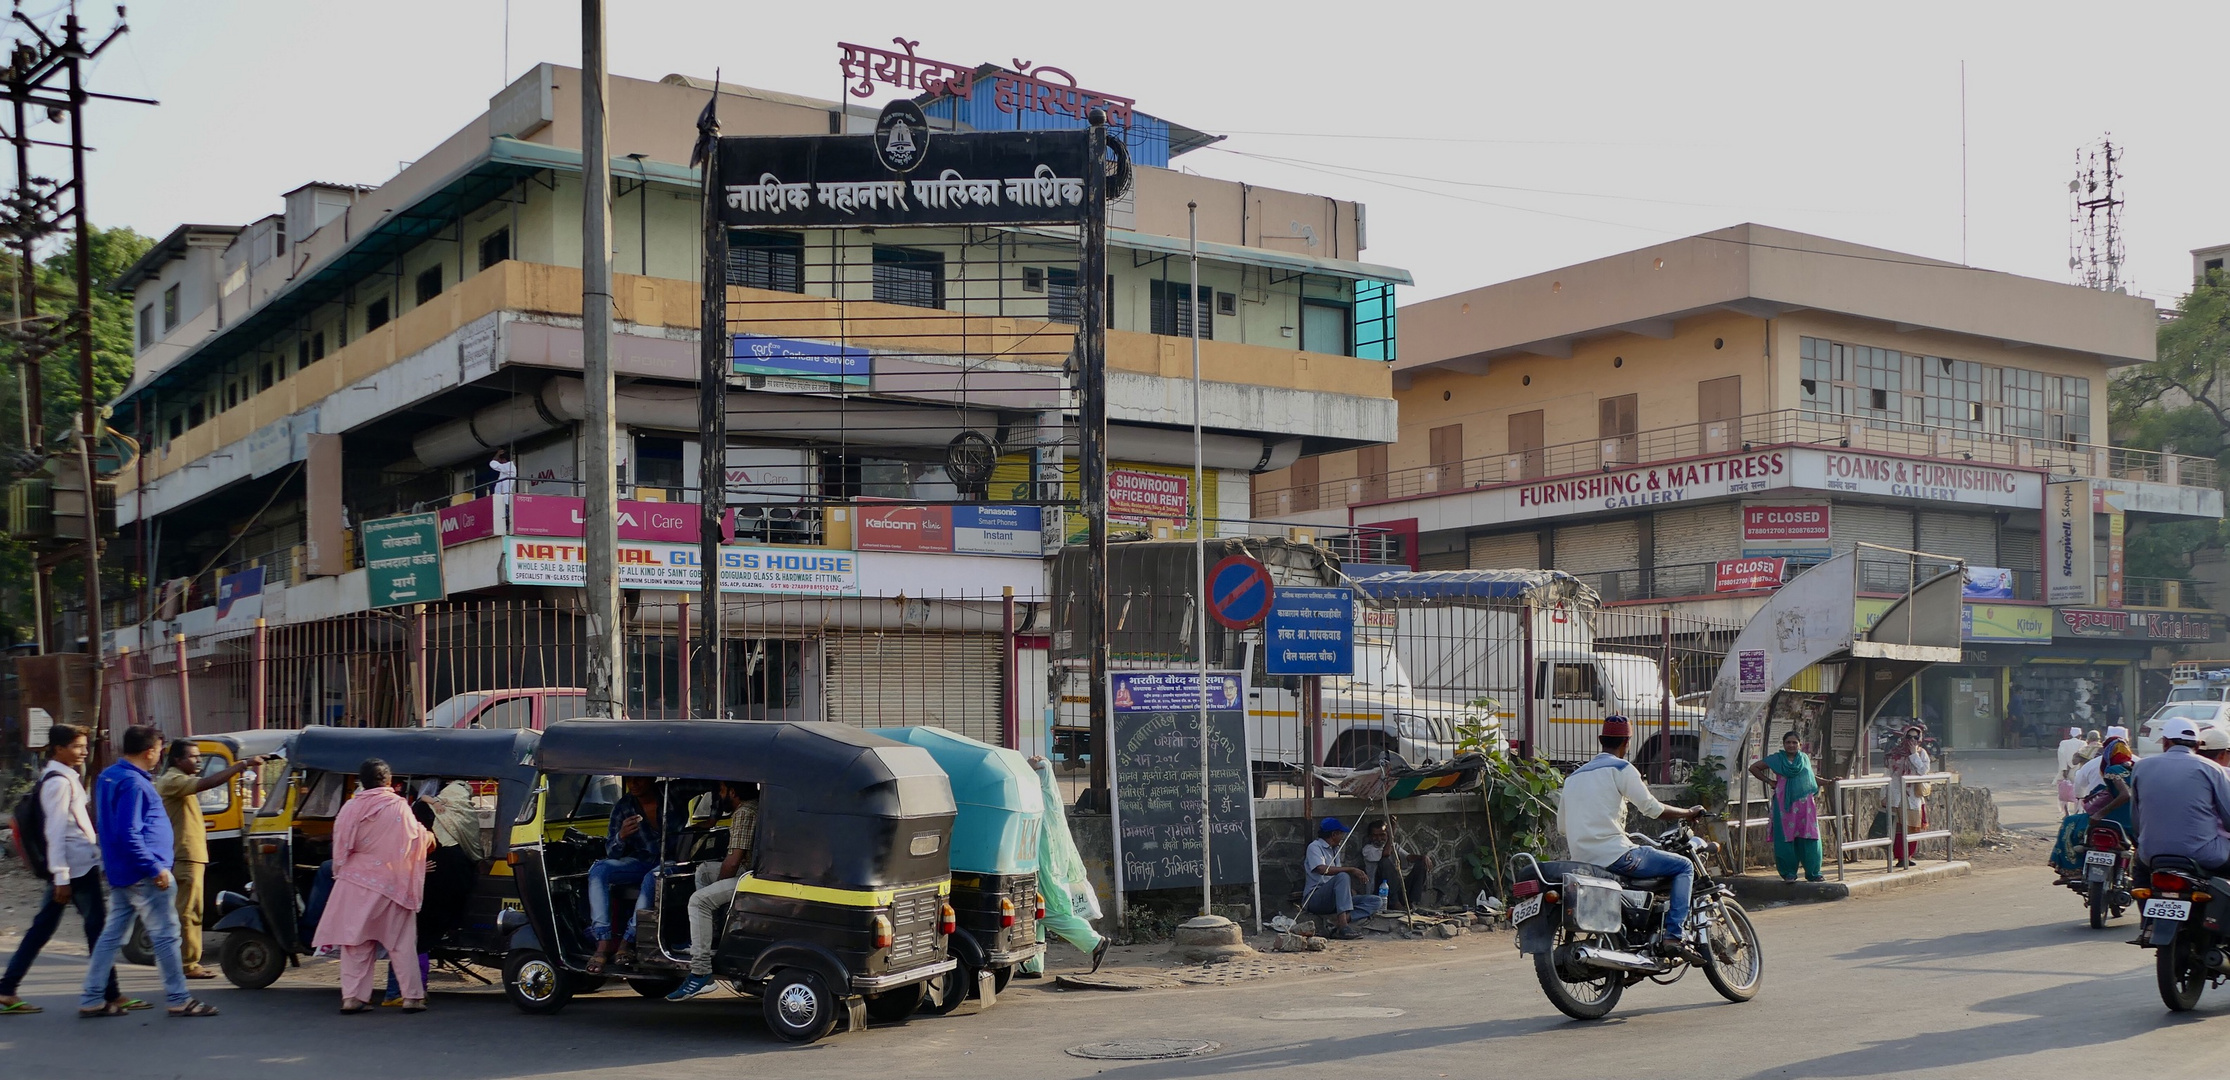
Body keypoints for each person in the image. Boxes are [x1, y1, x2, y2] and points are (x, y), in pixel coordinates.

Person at [0, 725, 147, 1016]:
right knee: (97, 930)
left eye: (84, 746)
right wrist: (61, 877)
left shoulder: (64, 777)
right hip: (74, 869)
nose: (83, 752)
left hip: (78, 864)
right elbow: (54, 832)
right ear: (58, 749)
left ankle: (6, 989)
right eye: (77, 747)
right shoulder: (59, 783)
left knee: (44, 928)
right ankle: (110, 994)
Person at [80, 724, 215, 1018]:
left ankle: (91, 997)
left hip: (122, 870)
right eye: (159, 750)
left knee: (111, 936)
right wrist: (155, 868)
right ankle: (179, 998)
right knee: (166, 936)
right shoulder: (135, 784)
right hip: (145, 872)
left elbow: (110, 827)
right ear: (149, 751)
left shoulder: (108, 777)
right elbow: (130, 832)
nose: (159, 756)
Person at [1557, 715, 1708, 962]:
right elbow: (1653, 809)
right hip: (1617, 856)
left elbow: (1563, 827)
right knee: (1684, 866)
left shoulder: (1573, 777)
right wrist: (1688, 813)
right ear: (1627, 742)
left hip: (1583, 863)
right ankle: (1673, 935)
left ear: (1600, 740)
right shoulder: (1621, 768)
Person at [315, 758, 434, 1013]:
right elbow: (414, 840)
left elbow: (340, 849)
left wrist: (341, 873)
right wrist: (429, 837)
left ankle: (352, 998)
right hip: (393, 885)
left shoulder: (350, 808)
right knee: (401, 943)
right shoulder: (400, 807)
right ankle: (412, 997)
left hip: (355, 883)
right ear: (390, 782)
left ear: (362, 782)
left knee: (355, 944)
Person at [156, 740, 266, 980]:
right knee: (189, 912)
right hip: (185, 855)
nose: (197, 761)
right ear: (177, 760)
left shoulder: (176, 780)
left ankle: (183, 962)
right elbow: (206, 783)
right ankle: (188, 964)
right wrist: (241, 766)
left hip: (189, 854)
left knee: (189, 910)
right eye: (193, 757)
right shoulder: (173, 780)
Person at [1016, 756, 1107, 977]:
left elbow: (1038, 843)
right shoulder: (1049, 801)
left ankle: (1094, 941)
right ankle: (1032, 964)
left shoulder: (1040, 804)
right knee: (1033, 910)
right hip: (1048, 867)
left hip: (1042, 867)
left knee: (1043, 912)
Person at [668, 782, 759, 1001]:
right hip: (754, 869)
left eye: (721, 791)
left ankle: (700, 972)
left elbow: (733, 862)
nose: (719, 796)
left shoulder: (744, 812)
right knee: (703, 871)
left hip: (749, 877)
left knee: (699, 901)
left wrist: (715, 893)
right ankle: (709, 935)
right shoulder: (758, 805)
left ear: (733, 792)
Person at [2130, 718, 2230, 875]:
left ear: (2165, 742)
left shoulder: (2141, 766)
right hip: (2204, 854)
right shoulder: (2213, 769)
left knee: (2140, 877)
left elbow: (2136, 820)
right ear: (2197, 746)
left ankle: (2144, 899)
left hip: (2151, 854)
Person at [586, 777, 662, 973]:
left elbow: (708, 784)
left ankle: (627, 942)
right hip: (640, 860)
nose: (634, 784)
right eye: (629, 780)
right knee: (599, 869)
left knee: (651, 879)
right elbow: (611, 851)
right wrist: (621, 836)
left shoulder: (671, 793)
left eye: (638, 779)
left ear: (651, 777)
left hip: (672, 860)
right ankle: (603, 941)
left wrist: (712, 818)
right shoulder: (623, 807)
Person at [2050, 732, 2135, 880]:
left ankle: (2071, 870)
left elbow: (2124, 794)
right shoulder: (2136, 767)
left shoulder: (2111, 769)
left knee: (2069, 823)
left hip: (2111, 818)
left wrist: (2099, 814)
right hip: (2132, 820)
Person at [1750, 730, 1824, 882]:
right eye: (1788, 742)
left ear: (1800, 745)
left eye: (1794, 742)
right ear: (1784, 745)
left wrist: (1828, 782)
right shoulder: (1777, 759)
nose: (1791, 745)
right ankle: (1788, 873)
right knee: (1786, 837)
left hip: (1805, 806)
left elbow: (1810, 777)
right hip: (1784, 805)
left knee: (1809, 836)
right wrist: (1769, 781)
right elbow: (1754, 768)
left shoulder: (1804, 759)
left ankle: (1813, 873)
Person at [1302, 818, 1385, 939]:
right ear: (1334, 834)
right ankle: (1343, 927)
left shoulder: (1335, 850)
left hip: (1333, 899)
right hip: (1315, 898)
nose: (1342, 836)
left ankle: (1337, 921)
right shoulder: (1315, 847)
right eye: (1341, 833)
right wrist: (1351, 869)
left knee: (1376, 901)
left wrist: (1347, 891)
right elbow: (1321, 869)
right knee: (1343, 875)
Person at [1885, 724, 1933, 869]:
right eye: (1909, 736)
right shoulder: (1895, 753)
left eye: (1916, 737)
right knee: (1899, 827)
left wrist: (1914, 754)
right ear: (1904, 737)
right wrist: (1883, 794)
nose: (1912, 740)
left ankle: (1909, 855)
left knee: (1913, 826)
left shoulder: (1921, 753)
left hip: (1913, 796)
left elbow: (1923, 771)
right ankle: (1900, 856)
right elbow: (1887, 774)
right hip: (1896, 794)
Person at [1361, 821, 1431, 911]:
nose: (1378, 838)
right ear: (1370, 837)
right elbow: (1385, 854)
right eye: (1375, 835)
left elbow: (1408, 857)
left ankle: (1411, 903)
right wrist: (1391, 834)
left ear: (1386, 835)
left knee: (1421, 863)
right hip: (1379, 893)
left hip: (1396, 890)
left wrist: (1423, 857)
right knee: (1384, 862)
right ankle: (1395, 904)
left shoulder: (1393, 846)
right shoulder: (1368, 850)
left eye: (1382, 835)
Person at [2056, 726, 2089, 816]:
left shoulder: (2063, 743)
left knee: (2064, 792)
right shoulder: (2083, 743)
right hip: (2077, 770)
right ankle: (2077, 812)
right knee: (2079, 793)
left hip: (2064, 770)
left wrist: (2064, 769)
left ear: (2070, 735)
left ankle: (2066, 813)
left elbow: (2061, 756)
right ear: (2080, 735)